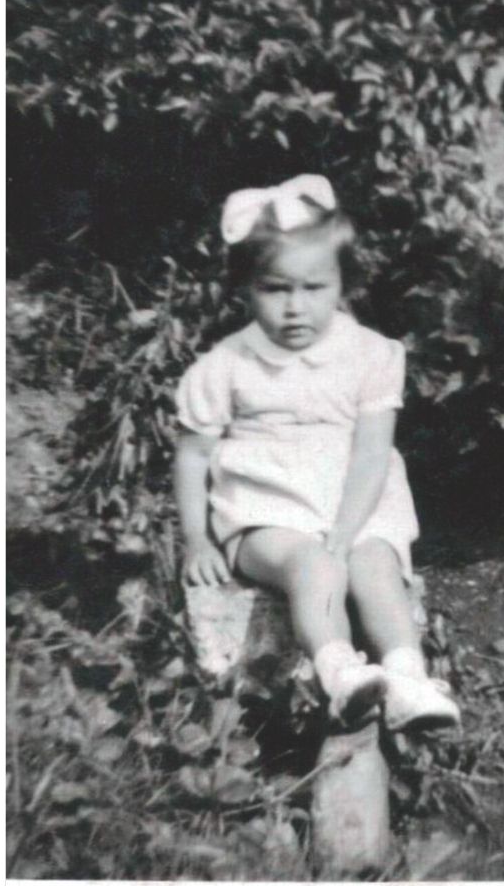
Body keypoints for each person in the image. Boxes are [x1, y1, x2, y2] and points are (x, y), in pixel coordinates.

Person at [172, 174, 459, 730]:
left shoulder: (369, 355)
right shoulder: (225, 366)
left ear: (342, 284)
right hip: (266, 511)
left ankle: (407, 680)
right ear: (246, 288)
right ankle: (339, 671)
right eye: (276, 289)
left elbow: (374, 453)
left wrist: (349, 530)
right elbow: (192, 456)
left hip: (356, 503)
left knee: (374, 564)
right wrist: (197, 539)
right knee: (314, 566)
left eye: (314, 288)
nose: (295, 308)